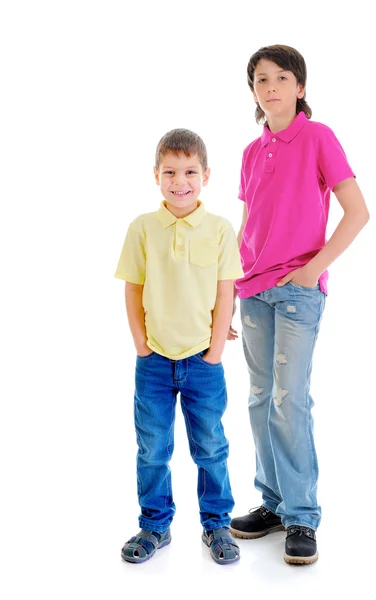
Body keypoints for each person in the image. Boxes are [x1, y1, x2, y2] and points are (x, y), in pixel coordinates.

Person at [229, 45, 370, 565]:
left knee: (291, 401)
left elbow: (357, 211)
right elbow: (246, 229)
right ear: (253, 92)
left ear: (300, 87)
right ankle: (272, 503)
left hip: (296, 292)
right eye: (261, 79)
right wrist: (228, 288)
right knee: (260, 400)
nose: (271, 87)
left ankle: (302, 515)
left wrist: (312, 269)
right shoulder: (249, 151)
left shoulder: (318, 137)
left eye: (282, 77)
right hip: (251, 290)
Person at [115, 128, 244, 565]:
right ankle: (154, 525)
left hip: (203, 361)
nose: (180, 180)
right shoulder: (143, 228)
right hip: (153, 360)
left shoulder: (220, 229)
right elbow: (133, 289)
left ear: (205, 175)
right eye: (170, 171)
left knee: (211, 446)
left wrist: (215, 351)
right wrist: (140, 344)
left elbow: (226, 292)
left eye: (189, 171)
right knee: (152, 447)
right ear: (156, 175)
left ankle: (217, 524)